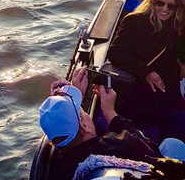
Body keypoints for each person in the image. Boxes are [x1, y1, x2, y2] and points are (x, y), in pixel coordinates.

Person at [39, 67, 185, 180]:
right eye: (82, 111)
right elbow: (152, 152)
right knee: (172, 144)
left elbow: (60, 119)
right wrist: (109, 112)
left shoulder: (58, 167)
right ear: (84, 125)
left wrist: (75, 96)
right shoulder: (123, 144)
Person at [107, 0, 185, 142]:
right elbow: (115, 52)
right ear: (152, 1)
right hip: (139, 91)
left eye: (171, 6)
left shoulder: (177, 26)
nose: (164, 9)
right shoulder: (134, 21)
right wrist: (146, 72)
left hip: (169, 93)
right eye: (160, 3)